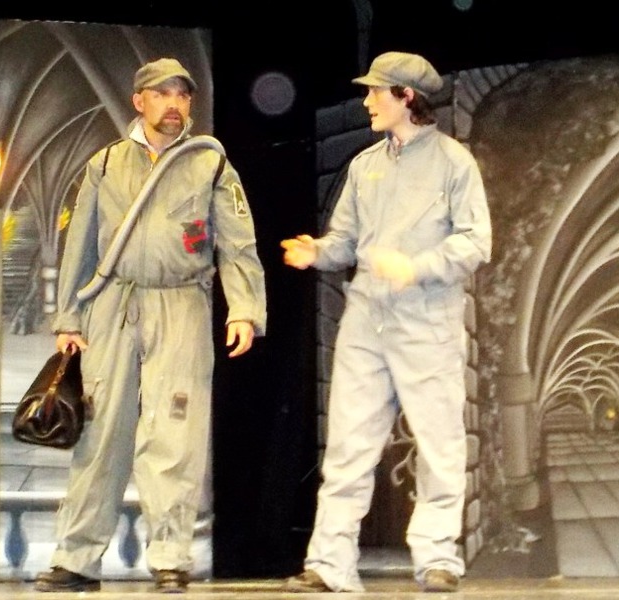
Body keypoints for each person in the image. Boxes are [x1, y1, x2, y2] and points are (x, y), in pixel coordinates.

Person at [34, 57, 267, 594]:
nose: (173, 105)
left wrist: (244, 308)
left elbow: (238, 244)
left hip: (181, 303)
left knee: (175, 434)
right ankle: (77, 559)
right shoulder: (105, 164)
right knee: (100, 432)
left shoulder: (211, 165)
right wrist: (68, 316)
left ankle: (170, 557)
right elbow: (79, 243)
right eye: (161, 94)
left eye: (181, 95)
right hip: (112, 304)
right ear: (139, 101)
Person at [282, 51, 492, 594]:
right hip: (366, 320)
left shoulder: (454, 163)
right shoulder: (364, 166)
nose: (367, 101)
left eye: (376, 91)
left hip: (428, 323)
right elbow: (345, 241)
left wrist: (416, 267)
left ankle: (438, 558)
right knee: (347, 447)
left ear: (406, 96)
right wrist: (317, 251)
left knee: (440, 443)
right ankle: (329, 564)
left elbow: (475, 243)